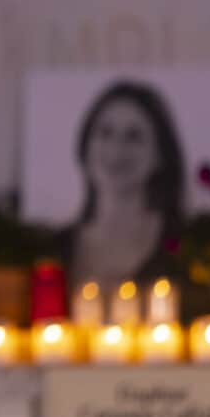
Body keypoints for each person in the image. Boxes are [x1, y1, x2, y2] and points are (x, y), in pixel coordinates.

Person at [59, 80, 185, 290]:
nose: (116, 149)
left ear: (160, 155)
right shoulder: (55, 248)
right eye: (105, 133)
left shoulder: (184, 246)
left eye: (134, 137)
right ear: (85, 146)